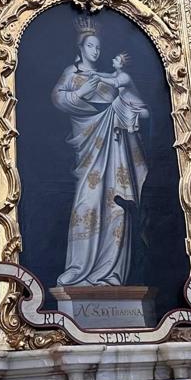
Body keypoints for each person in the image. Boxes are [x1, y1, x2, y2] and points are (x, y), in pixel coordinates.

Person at [51, 21, 149, 286]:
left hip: (116, 149)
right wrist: (83, 91)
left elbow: (142, 109)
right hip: (88, 148)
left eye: (98, 47)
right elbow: (59, 100)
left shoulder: (114, 80)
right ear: (81, 48)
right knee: (87, 203)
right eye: (90, 46)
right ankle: (78, 267)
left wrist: (126, 111)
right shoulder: (72, 74)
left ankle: (110, 273)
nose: (95, 51)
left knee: (116, 207)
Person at [84, 53, 149, 135]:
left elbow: (115, 83)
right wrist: (97, 73)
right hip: (124, 102)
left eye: (116, 59)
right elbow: (109, 76)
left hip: (134, 105)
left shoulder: (125, 77)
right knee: (114, 105)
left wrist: (100, 79)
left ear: (121, 65)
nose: (113, 60)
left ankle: (128, 125)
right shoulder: (117, 73)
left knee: (115, 105)